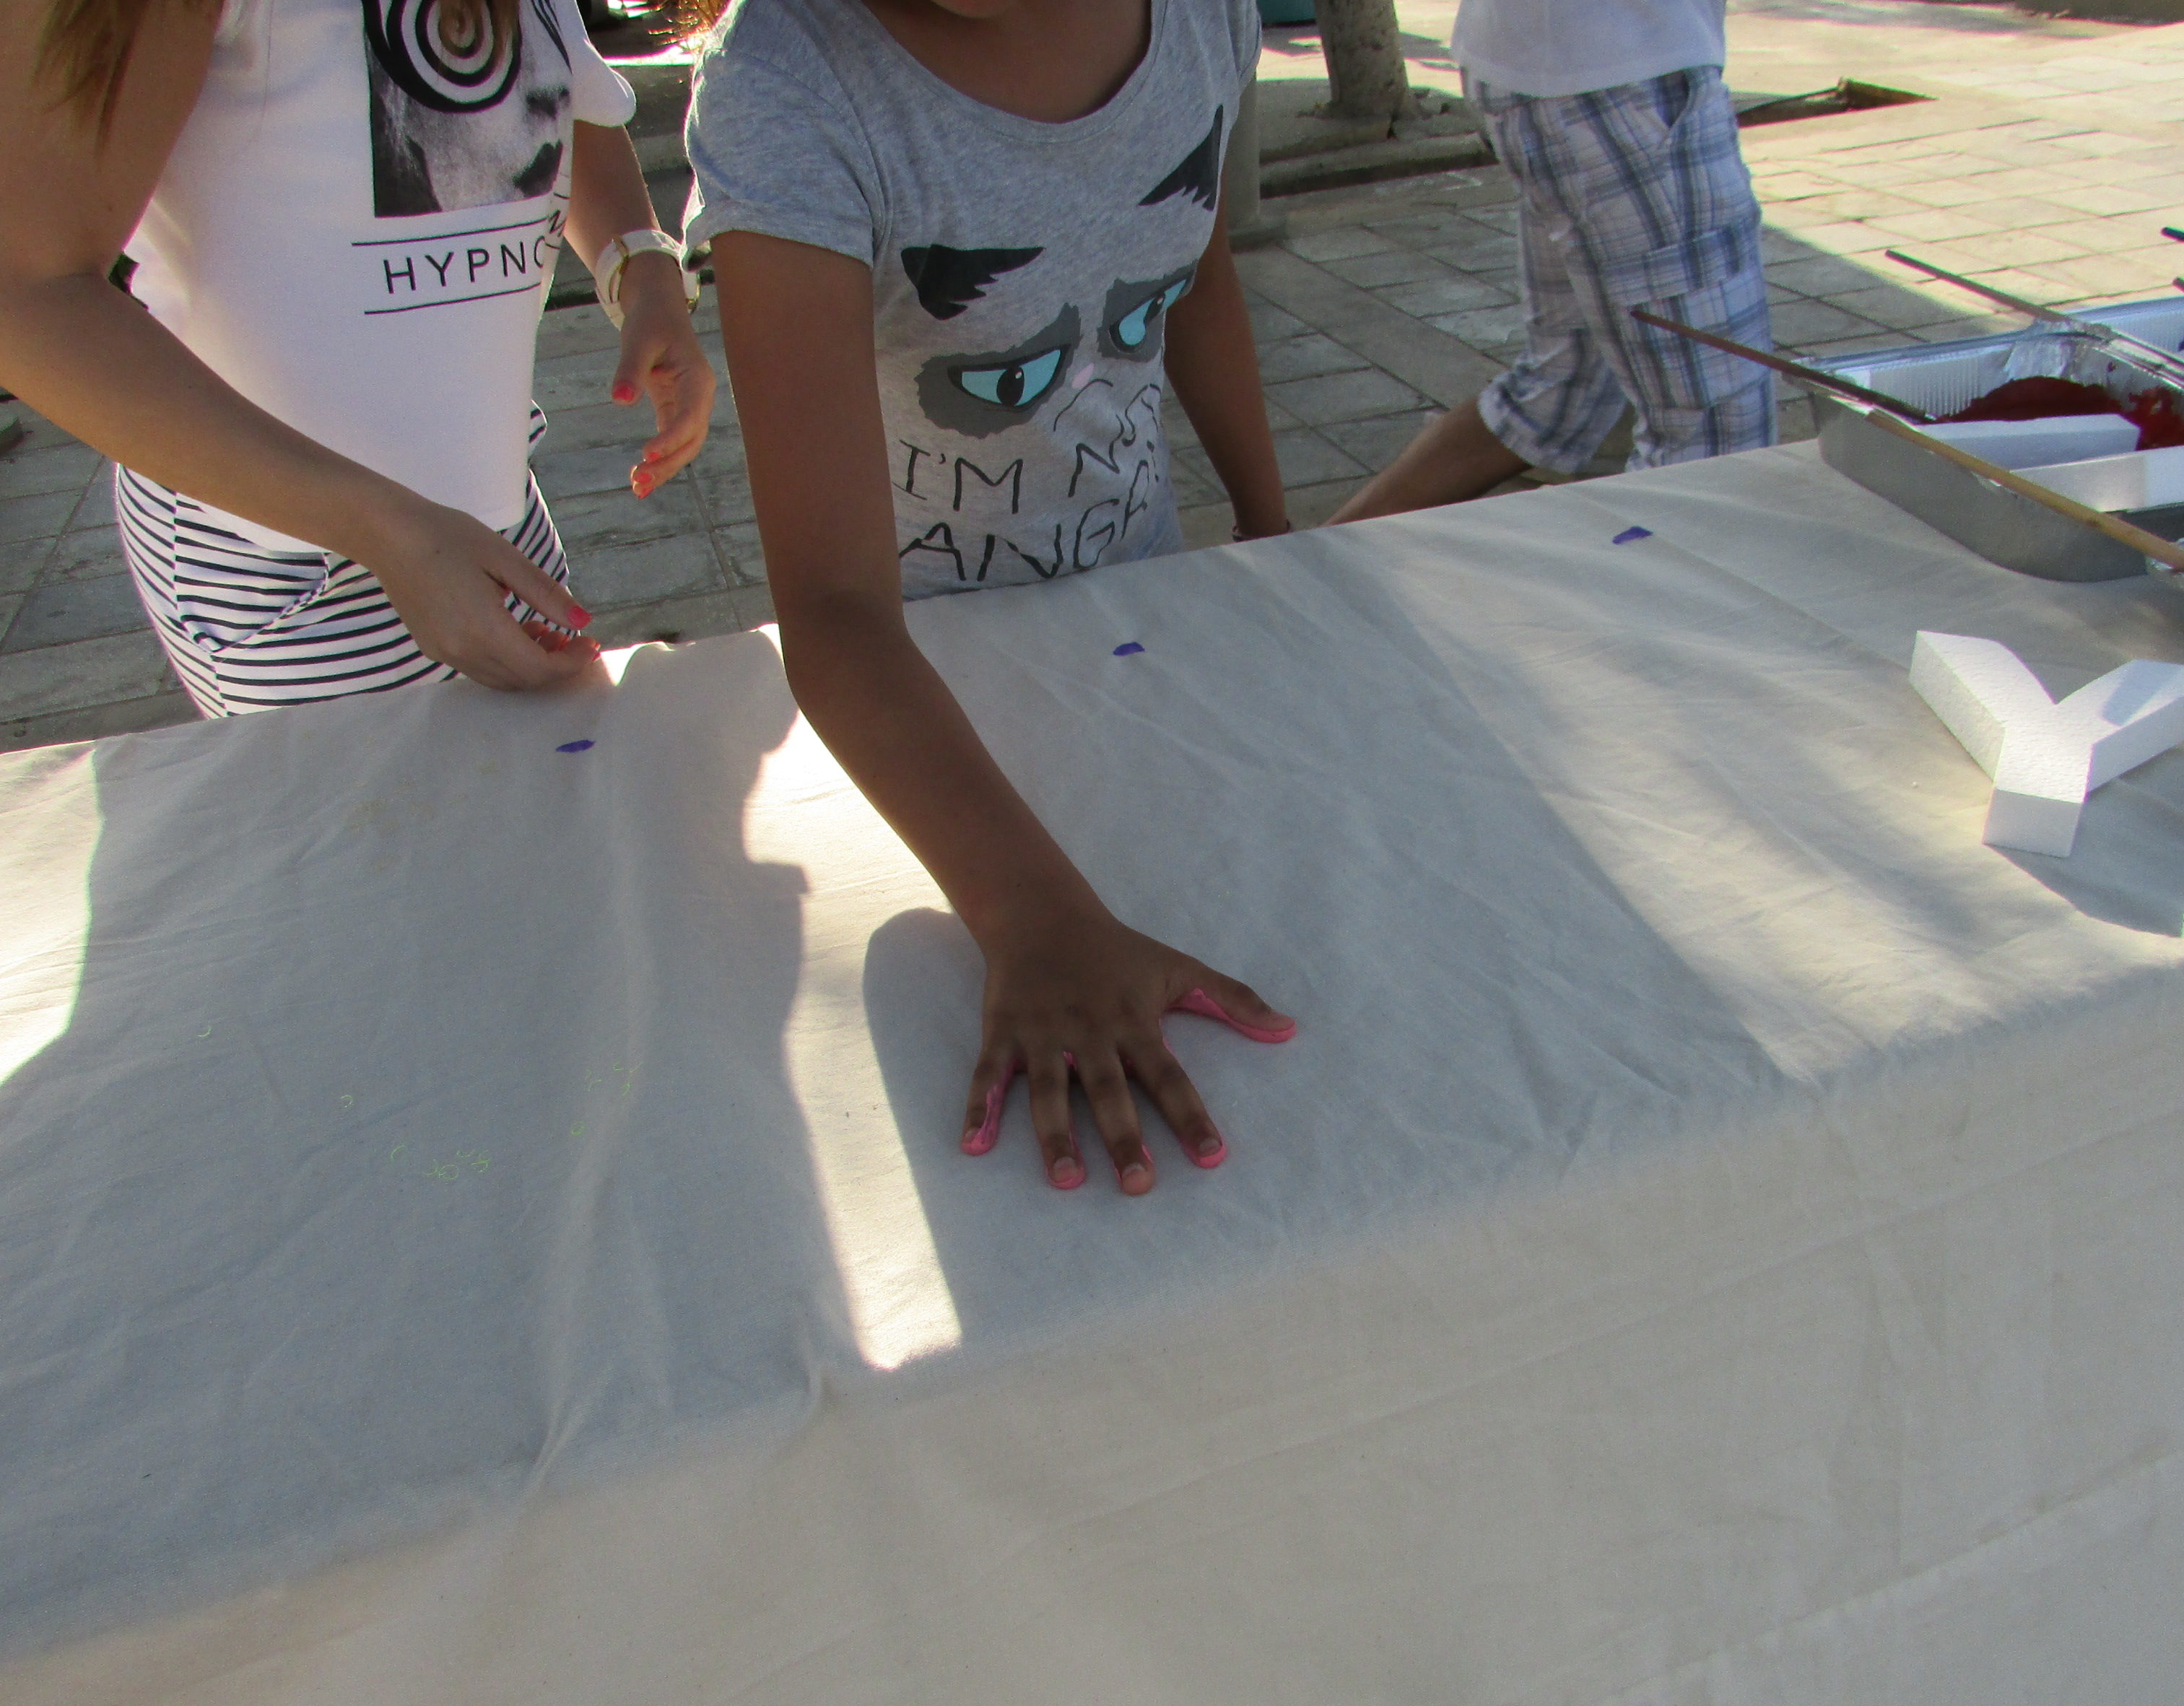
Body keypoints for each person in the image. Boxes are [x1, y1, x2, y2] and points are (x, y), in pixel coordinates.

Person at [682, 0, 1295, 1195]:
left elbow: (1194, 269)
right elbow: (835, 610)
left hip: (1144, 637)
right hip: (925, 714)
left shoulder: (1202, 19)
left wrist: (1270, 537)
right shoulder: (788, 81)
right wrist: (1034, 920)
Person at [0, 0, 715, 715]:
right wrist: (390, 535)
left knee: (529, 776)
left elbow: (563, 92)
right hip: (290, 570)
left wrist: (640, 264)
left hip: (495, 522)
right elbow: (25, 293)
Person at [1330, 0, 1775, 522]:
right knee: (1717, 442)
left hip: (1568, 72)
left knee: (1562, 390)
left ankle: (1301, 556)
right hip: (1617, 75)